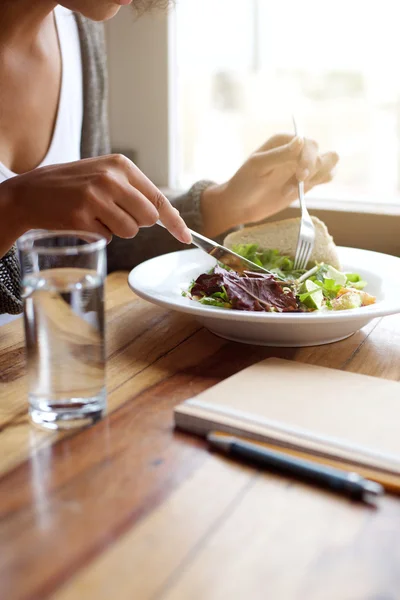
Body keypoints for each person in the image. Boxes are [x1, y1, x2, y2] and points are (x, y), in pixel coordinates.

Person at [0, 0, 338, 325]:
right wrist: (13, 207)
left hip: (63, 364)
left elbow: (94, 247)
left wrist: (221, 205)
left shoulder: (77, 30)